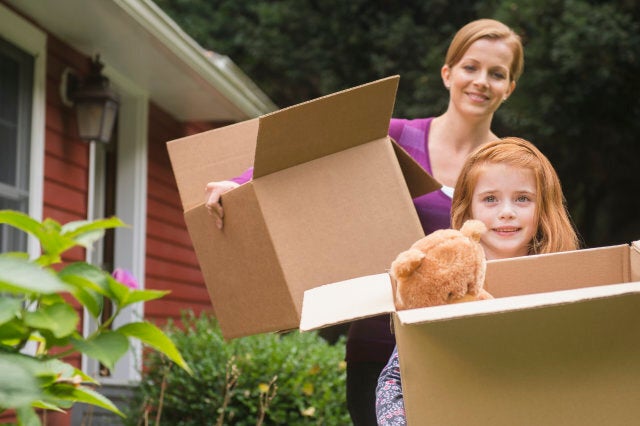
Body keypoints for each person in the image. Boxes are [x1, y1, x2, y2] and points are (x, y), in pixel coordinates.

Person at [205, 18, 525, 425]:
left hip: (468, 347)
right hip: (379, 346)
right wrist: (238, 184)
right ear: (447, 73)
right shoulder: (395, 137)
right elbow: (311, 158)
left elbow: (535, 240)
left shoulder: (510, 165)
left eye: (497, 74)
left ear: (509, 87)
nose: (481, 81)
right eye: (470, 67)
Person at [375, 137, 580, 425]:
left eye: (522, 198)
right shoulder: (444, 284)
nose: (506, 211)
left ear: (543, 208)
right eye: (490, 199)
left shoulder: (571, 281)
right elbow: (396, 378)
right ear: (469, 210)